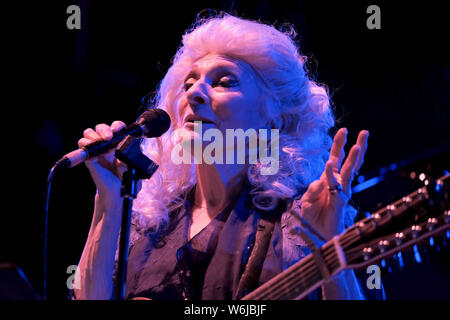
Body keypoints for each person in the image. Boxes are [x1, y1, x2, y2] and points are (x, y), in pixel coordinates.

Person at [72, 13, 382, 300]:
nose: (194, 94)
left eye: (224, 82)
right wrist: (109, 202)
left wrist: (329, 249)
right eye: (188, 84)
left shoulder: (300, 221)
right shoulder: (150, 222)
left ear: (272, 119)